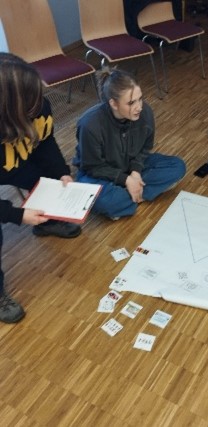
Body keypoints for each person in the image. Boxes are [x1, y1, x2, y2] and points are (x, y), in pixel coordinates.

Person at [0, 53, 82, 323]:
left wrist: (61, 173)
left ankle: (46, 223)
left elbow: (45, 143)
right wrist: (17, 215)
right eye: (31, 99)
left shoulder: (39, 106)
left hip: (16, 161)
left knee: (48, 178)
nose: (40, 102)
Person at [73, 68, 186, 219]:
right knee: (107, 201)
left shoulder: (145, 112)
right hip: (98, 173)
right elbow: (92, 167)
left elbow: (145, 149)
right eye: (131, 102)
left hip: (129, 166)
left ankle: (128, 196)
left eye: (140, 99)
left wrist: (135, 172)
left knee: (177, 166)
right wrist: (125, 179)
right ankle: (134, 193)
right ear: (114, 103)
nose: (139, 107)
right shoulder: (89, 124)